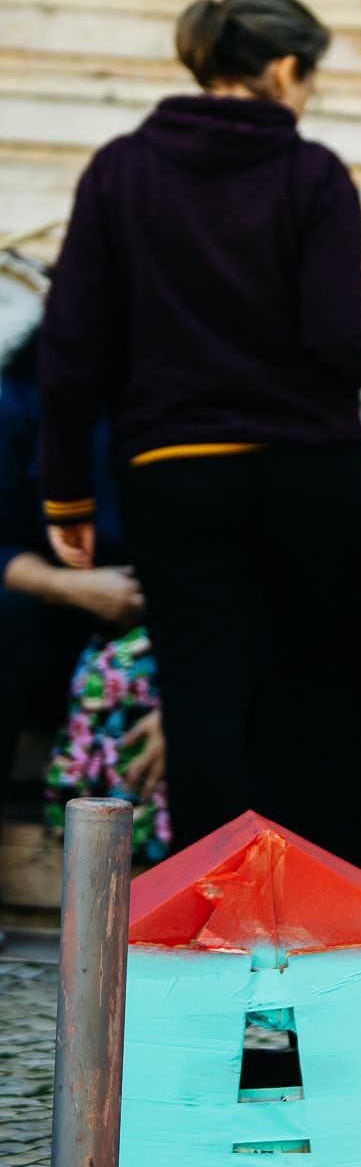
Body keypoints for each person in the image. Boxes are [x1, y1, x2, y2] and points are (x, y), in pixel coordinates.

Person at [39, 0, 361, 857]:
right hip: (308, 472)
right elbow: (339, 331)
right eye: (311, 79)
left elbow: (74, 343)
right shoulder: (311, 174)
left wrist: (67, 499)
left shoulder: (119, 169)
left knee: (203, 692)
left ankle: (216, 915)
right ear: (283, 68)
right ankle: (324, 908)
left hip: (174, 471)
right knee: (317, 683)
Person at [0, 321, 164, 820]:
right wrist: (71, 587)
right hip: (58, 638)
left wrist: (192, 696)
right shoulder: (24, 398)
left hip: (186, 646)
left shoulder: (203, 404)